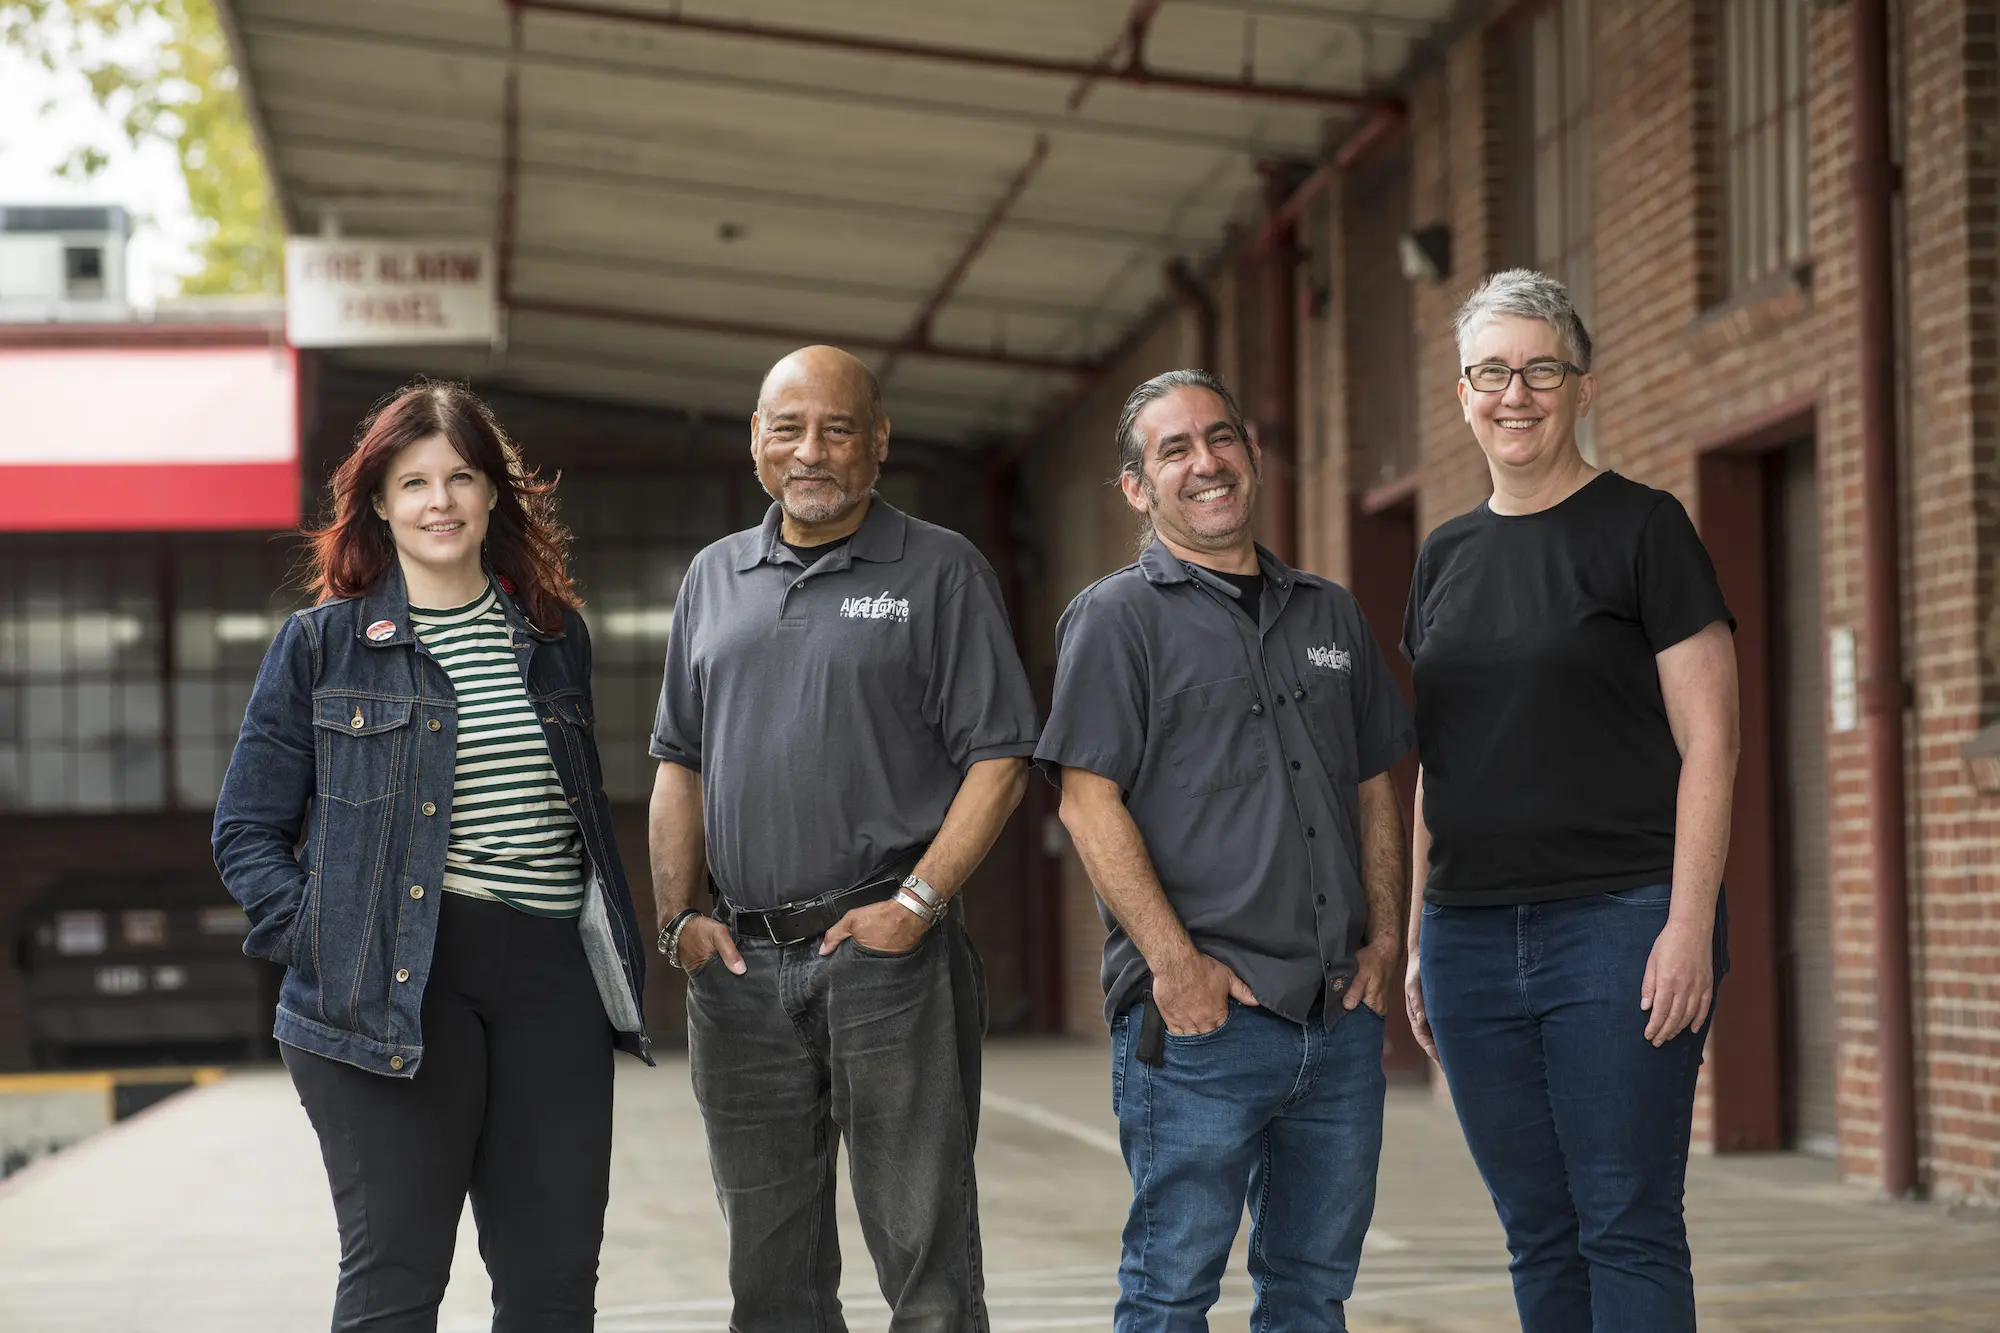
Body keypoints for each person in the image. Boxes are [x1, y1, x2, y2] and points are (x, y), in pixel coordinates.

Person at [213, 381, 651, 1332]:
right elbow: (245, 830)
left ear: (496, 494)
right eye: (414, 482)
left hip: (552, 985)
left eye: (461, 477)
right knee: (397, 1283)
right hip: (396, 983)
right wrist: (330, 941)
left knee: (552, 1288)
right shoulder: (322, 647)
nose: (439, 501)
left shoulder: (552, 637)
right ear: (378, 501)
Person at [647, 345, 1038, 1331]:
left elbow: (1000, 757)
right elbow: (677, 766)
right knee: (769, 1278)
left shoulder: (938, 568)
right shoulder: (712, 577)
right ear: (755, 442)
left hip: (886, 961)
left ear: (877, 442)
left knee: (927, 1265)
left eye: (835, 428)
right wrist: (679, 920)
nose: (809, 450)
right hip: (736, 970)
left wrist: (916, 904)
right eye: (788, 428)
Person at [1036, 369, 1414, 1332]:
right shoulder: (1116, 618)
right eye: (1174, 450)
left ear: (1249, 453)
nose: (1205, 463)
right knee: (1170, 1294)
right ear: (1137, 487)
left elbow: (1374, 784)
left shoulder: (1328, 614)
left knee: (1312, 1291)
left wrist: (1383, 941)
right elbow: (1088, 803)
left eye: (1221, 438)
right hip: (1203, 1028)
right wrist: (1177, 965)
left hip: (1337, 1019)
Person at [1401, 270, 1738, 1333]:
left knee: (1625, 1222)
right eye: (1490, 373)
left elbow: (1711, 741)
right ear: (1461, 395)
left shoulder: (1643, 529)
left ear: (1579, 388)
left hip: (1619, 924)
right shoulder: (1441, 556)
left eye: (1539, 368)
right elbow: (1433, 763)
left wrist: (1687, 925)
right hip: (1466, 938)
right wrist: (1417, 936)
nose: (1515, 393)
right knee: (1536, 1229)